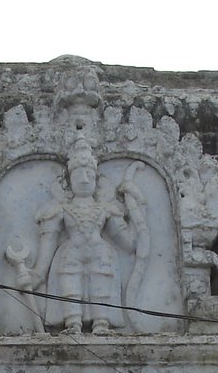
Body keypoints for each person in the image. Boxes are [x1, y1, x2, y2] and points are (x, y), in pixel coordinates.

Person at [11, 136, 143, 334]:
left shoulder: (107, 208)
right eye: (78, 174)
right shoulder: (58, 209)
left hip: (101, 255)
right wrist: (36, 274)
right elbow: (48, 244)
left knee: (101, 285)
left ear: (97, 180)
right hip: (70, 256)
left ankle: (101, 323)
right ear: (68, 181)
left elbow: (129, 243)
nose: (84, 179)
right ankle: (73, 323)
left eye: (89, 173)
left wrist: (138, 210)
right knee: (69, 287)